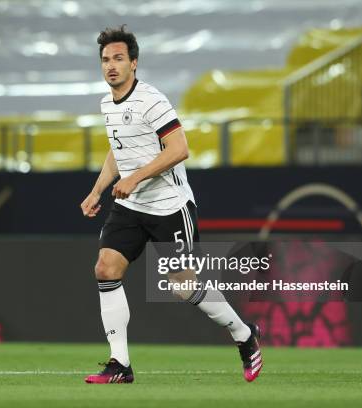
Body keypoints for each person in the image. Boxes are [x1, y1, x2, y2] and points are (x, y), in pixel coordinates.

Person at [80, 25, 263, 384]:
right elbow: (119, 151)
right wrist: (97, 189)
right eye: (105, 60)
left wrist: (135, 179)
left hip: (169, 205)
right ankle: (120, 365)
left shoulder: (152, 100)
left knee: (183, 287)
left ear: (134, 62)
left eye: (118, 58)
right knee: (105, 268)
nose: (111, 66)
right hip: (132, 207)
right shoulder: (107, 103)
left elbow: (180, 149)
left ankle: (244, 334)